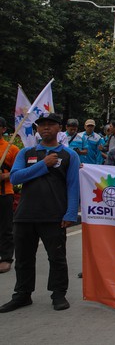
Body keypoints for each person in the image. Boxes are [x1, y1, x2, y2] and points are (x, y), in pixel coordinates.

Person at [1, 114, 79, 312]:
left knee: (57, 257)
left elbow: (73, 185)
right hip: (25, 214)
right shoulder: (26, 153)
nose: (46, 129)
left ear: (59, 128)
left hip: (54, 215)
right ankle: (22, 294)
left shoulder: (69, 155)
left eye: (50, 125)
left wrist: (70, 214)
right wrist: (43, 164)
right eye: (42, 125)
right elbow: (16, 177)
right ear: (37, 129)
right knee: (24, 257)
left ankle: (58, 294)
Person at [0, 117, 20, 274]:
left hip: (4, 193)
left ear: (3, 129)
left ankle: (6, 258)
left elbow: (18, 172)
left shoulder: (11, 149)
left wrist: (5, 176)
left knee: (6, 227)